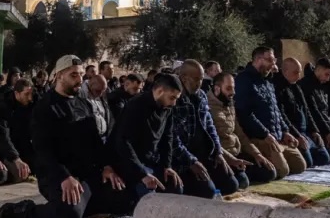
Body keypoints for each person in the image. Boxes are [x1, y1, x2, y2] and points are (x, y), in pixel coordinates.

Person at [0, 55, 129, 218]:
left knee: (125, 198)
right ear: (59, 76)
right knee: (69, 215)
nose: (79, 80)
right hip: (57, 175)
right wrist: (64, 176)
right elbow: (43, 150)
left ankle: (84, 203)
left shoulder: (84, 104)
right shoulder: (45, 107)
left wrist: (107, 166)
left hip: (87, 175)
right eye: (73, 75)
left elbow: (95, 141)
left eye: (81, 75)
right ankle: (25, 210)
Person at [234, 48, 307, 178]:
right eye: (270, 60)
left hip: (276, 136)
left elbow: (276, 110)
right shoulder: (244, 80)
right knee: (281, 171)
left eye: (274, 60)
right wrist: (265, 133)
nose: (273, 65)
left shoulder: (268, 80)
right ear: (257, 60)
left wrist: (285, 131)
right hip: (260, 138)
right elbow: (245, 114)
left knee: (300, 165)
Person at [110, 72, 184, 201]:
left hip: (151, 161)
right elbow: (123, 143)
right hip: (131, 163)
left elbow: (167, 137)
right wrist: (142, 173)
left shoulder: (167, 108)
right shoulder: (136, 106)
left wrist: (167, 166)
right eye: (172, 98)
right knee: (149, 198)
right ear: (160, 91)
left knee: (175, 187)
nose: (174, 103)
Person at [171, 60, 240, 198]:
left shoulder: (201, 95)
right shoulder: (173, 98)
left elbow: (210, 126)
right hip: (183, 158)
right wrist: (191, 162)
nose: (199, 83)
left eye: (202, 79)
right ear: (184, 78)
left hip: (205, 153)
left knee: (233, 184)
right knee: (207, 191)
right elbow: (172, 138)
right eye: (196, 79)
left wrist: (218, 152)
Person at [206, 72, 277, 187]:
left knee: (269, 172)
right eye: (228, 89)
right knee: (240, 182)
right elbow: (211, 142)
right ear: (217, 89)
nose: (232, 93)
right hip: (223, 156)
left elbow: (240, 134)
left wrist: (256, 154)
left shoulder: (230, 105)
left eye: (233, 88)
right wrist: (231, 159)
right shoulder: (207, 107)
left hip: (237, 152)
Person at [272, 59, 330, 167]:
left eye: (299, 72)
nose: (298, 76)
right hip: (294, 134)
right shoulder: (278, 88)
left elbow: (307, 111)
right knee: (307, 162)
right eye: (295, 72)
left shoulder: (296, 87)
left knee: (324, 157)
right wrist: (297, 135)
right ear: (285, 71)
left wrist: (314, 131)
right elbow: (282, 115)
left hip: (306, 133)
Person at [0, 78, 37, 183]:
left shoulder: (31, 105)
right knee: (20, 174)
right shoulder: (2, 109)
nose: (30, 98)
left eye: (31, 94)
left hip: (25, 147)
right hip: (7, 150)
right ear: (17, 93)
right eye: (26, 94)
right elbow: (2, 137)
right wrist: (16, 158)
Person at [82, 74, 112, 141]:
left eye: (103, 91)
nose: (100, 94)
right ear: (91, 85)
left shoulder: (101, 94)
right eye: (98, 91)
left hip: (103, 138)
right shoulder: (81, 95)